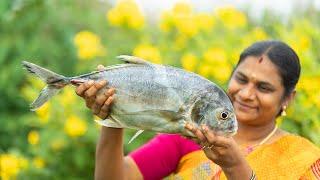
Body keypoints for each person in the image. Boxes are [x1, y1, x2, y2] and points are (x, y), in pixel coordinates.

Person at [75, 40, 320, 180]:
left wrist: (235, 167)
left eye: (264, 88)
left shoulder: (302, 160)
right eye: (242, 79)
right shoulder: (189, 137)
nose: (246, 94)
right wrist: (114, 114)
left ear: (288, 98)